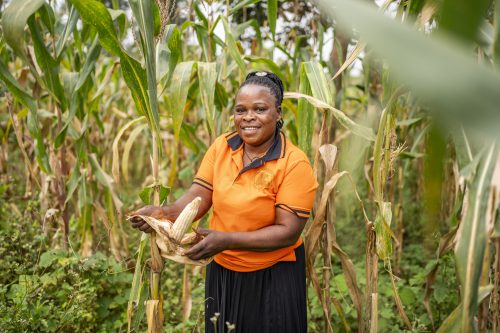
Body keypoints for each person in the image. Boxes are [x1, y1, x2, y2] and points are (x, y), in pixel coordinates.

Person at [130, 71, 318, 333]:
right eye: (241, 110)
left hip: (274, 275)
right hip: (224, 269)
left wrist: (225, 239)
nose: (248, 117)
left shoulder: (294, 163)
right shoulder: (222, 147)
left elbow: (287, 233)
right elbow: (199, 196)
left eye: (260, 109)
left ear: (278, 113)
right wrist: (163, 213)